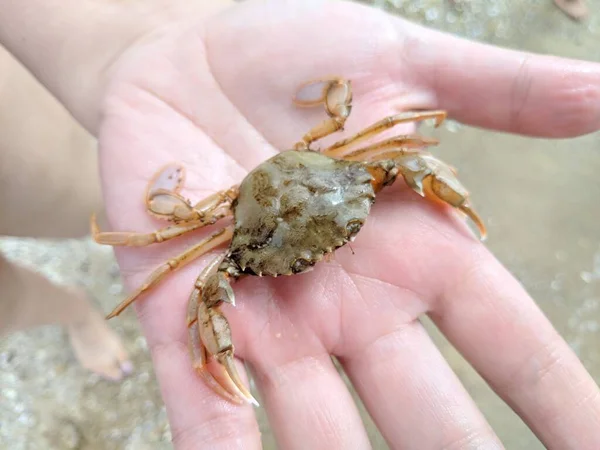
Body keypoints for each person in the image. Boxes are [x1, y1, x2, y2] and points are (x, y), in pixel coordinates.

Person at [2, 0, 599, 448]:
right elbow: (164, 237)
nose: (326, 257)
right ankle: (69, 305)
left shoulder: (355, 156)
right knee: (106, 214)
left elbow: (408, 153)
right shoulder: (263, 209)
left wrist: (132, 53)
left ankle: (74, 302)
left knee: (86, 181)